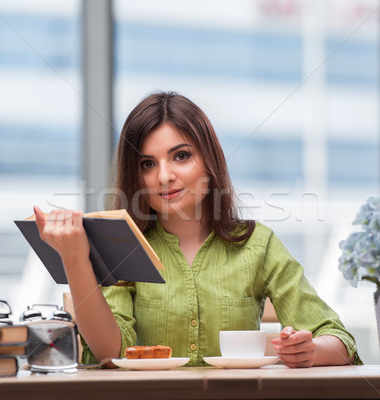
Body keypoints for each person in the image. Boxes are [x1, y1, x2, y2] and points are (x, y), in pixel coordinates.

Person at [34, 91, 361, 368]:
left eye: (181, 156)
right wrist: (75, 259)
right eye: (148, 164)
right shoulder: (124, 246)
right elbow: (109, 353)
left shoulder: (257, 245)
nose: (164, 176)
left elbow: (338, 338)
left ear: (209, 160)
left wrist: (310, 351)